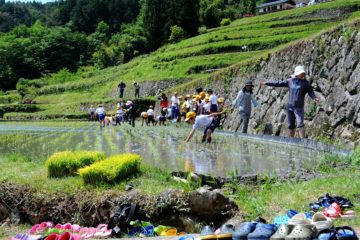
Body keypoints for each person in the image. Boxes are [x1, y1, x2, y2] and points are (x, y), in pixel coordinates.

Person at [260, 65, 319, 138]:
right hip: (290, 107)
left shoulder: (305, 83)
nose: (303, 74)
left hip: (299, 108)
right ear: (297, 74)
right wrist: (266, 83)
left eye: (303, 73)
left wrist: (314, 97)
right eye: (301, 73)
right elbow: (278, 83)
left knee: (300, 123)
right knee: (291, 125)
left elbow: (310, 91)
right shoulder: (290, 81)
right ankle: (291, 141)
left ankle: (304, 142)